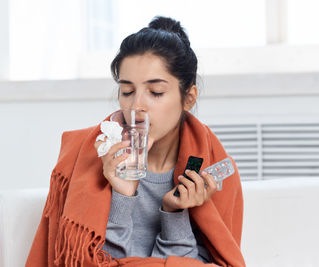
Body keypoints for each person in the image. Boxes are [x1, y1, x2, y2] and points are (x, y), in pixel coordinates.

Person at [26, 16, 245, 267]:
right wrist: (122, 194)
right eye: (127, 91)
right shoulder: (94, 156)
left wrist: (174, 212)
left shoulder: (210, 170)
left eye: (156, 92)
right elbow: (90, 262)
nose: (136, 105)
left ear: (188, 98)